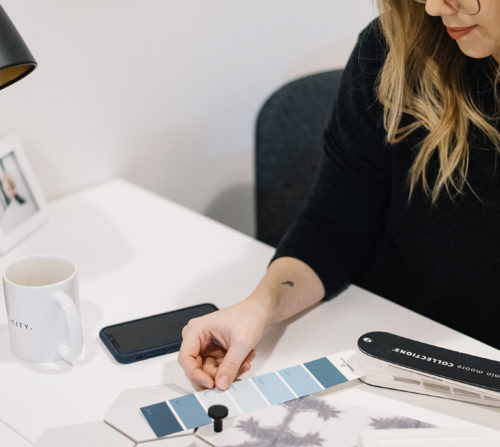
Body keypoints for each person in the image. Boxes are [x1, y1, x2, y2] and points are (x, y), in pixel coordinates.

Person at [179, 0, 500, 391]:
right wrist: (257, 308)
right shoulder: (395, 49)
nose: (432, 7)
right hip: (389, 355)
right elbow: (334, 229)